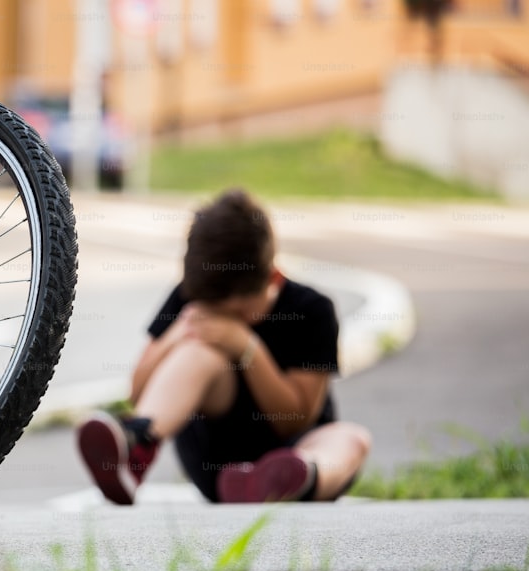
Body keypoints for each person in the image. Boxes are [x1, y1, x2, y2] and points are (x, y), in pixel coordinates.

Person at [77, 189, 371, 505]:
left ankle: (285, 479)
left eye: (240, 314)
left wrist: (246, 346)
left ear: (273, 277)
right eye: (214, 313)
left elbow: (294, 419)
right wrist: (179, 333)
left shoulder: (312, 310)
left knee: (352, 439)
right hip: (217, 464)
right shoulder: (191, 296)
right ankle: (135, 451)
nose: (225, 322)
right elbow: (137, 392)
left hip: (296, 449)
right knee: (199, 351)